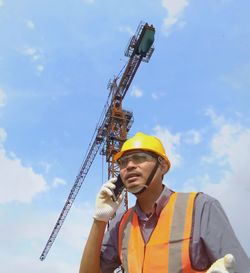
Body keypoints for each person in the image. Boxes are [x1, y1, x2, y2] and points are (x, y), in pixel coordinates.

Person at [79, 132, 250, 273]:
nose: (129, 166)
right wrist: (99, 220)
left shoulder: (200, 207)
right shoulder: (121, 224)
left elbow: (237, 267)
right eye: (123, 162)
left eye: (139, 158)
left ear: (163, 166)